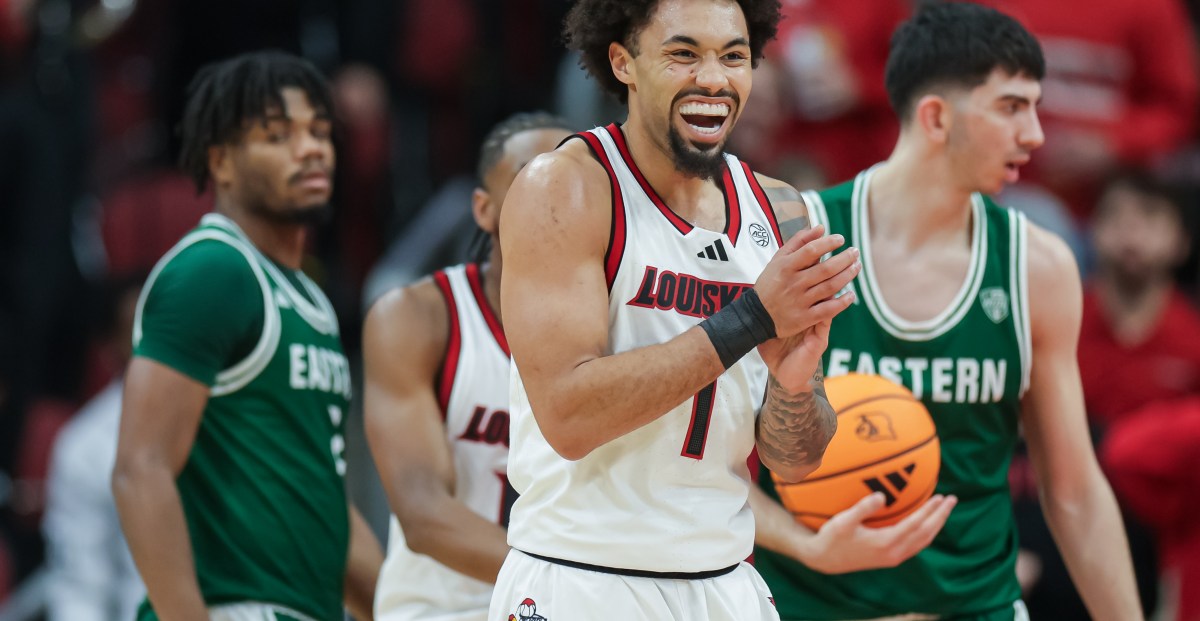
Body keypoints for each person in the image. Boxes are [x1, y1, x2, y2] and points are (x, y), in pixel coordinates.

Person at [487, 0, 901, 618]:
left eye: (734, 57)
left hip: (725, 582)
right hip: (583, 579)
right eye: (683, 54)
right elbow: (568, 418)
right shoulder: (567, 187)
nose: (713, 79)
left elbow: (795, 462)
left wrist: (792, 388)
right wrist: (752, 318)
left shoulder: (781, 209)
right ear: (623, 62)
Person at [751, 4, 1142, 620]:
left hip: (974, 606)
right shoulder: (794, 237)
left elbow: (1074, 492)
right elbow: (708, 469)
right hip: (809, 604)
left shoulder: (1037, 267)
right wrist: (805, 545)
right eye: (1011, 107)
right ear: (936, 117)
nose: (1035, 135)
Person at [111, 51, 382, 621]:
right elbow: (141, 469)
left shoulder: (310, 297)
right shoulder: (214, 270)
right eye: (278, 136)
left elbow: (323, 497)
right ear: (222, 162)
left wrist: (407, 609)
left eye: (319, 132)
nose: (310, 149)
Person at [364, 111, 573, 621]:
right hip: (445, 611)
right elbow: (423, 515)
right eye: (531, 177)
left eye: (572, 180)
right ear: (483, 208)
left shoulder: (623, 327)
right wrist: (575, 587)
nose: (554, 195)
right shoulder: (418, 317)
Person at [43, 275, 145, 621]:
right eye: (136, 331)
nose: (156, 343)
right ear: (110, 346)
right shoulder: (85, 446)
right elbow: (81, 587)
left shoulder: (240, 417)